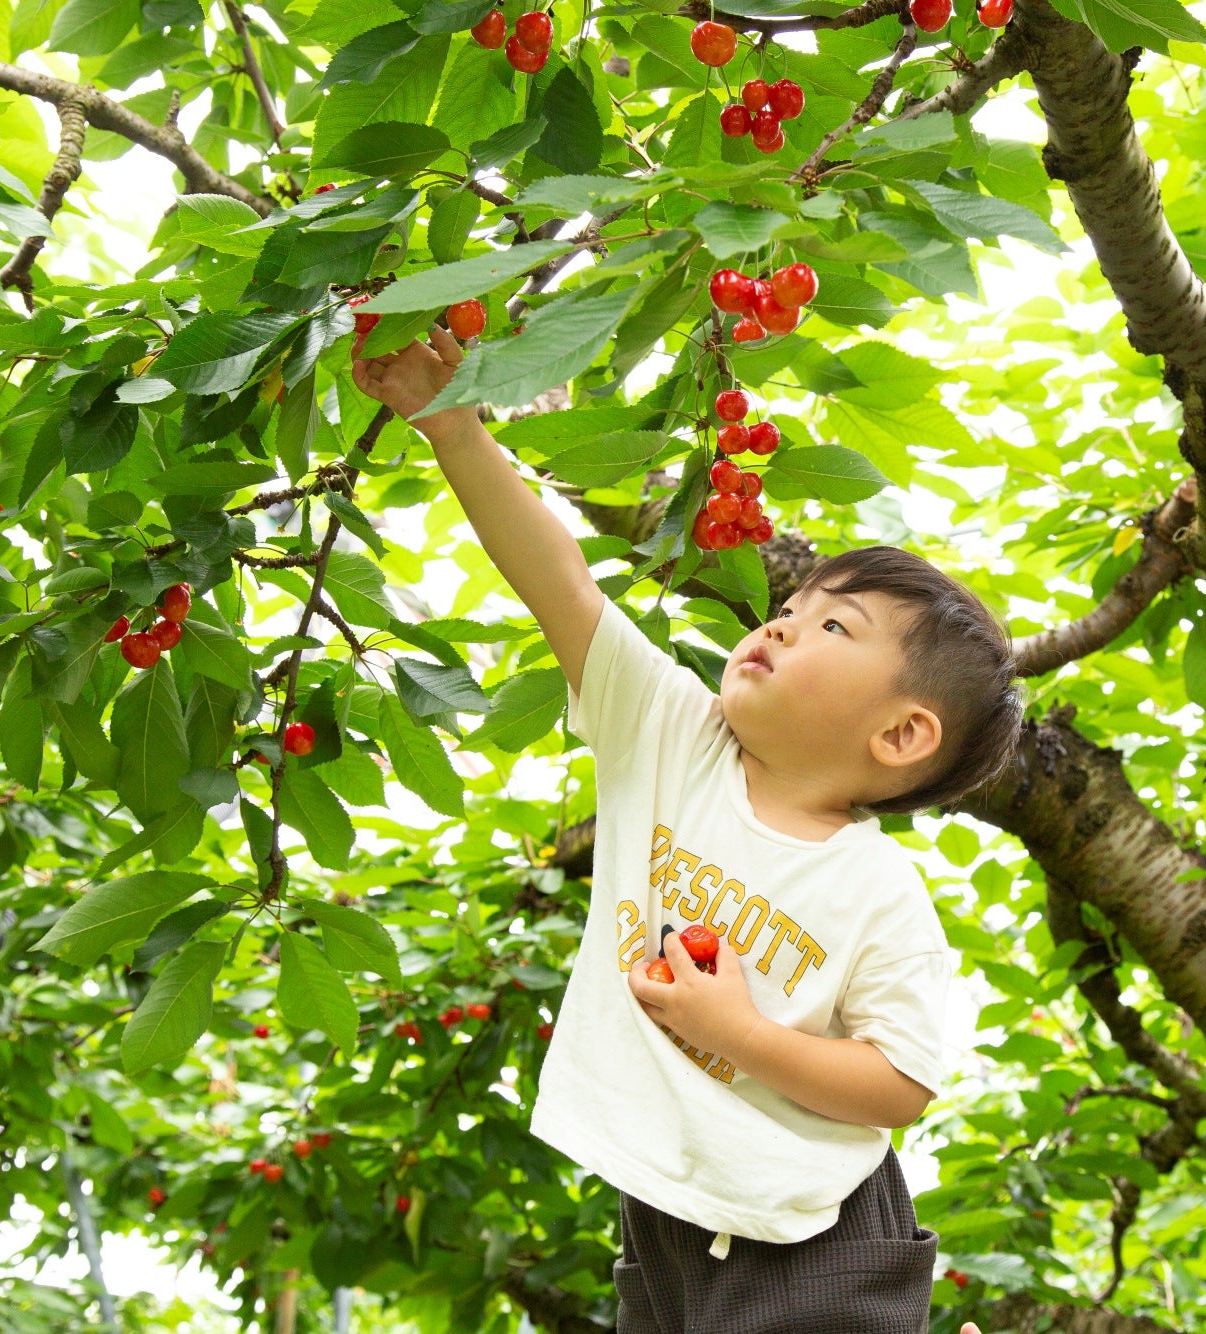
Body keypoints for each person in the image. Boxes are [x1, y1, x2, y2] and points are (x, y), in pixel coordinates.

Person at [354, 327, 1022, 1334]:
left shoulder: (874, 893)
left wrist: (738, 1033)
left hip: (813, 1233)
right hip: (667, 1216)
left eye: (832, 628)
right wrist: (450, 423)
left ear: (899, 732)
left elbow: (896, 1084)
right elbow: (563, 585)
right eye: (791, 608)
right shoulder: (669, 737)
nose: (782, 623)